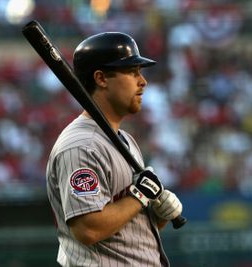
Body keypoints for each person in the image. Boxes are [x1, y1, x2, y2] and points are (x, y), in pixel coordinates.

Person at [46, 32, 183, 267]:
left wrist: (156, 216)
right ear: (101, 78)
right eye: (132, 72)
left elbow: (128, 232)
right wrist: (140, 195)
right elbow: (88, 229)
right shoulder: (81, 145)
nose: (143, 81)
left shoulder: (125, 140)